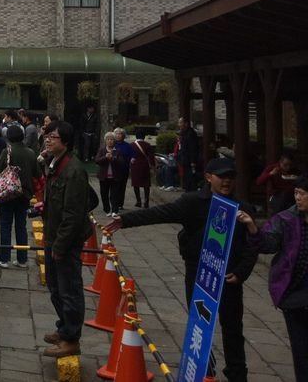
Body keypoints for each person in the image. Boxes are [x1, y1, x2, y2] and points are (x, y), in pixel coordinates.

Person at [106, 157, 257, 382]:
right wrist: (125, 220)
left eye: (230, 177)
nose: (226, 181)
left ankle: (237, 374)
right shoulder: (193, 202)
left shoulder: (242, 209)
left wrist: (242, 272)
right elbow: (160, 213)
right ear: (208, 177)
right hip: (199, 274)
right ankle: (205, 371)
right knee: (200, 325)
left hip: (229, 277)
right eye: (221, 177)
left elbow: (252, 246)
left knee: (233, 329)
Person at [239, 175, 308, 382]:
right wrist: (252, 226)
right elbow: (267, 244)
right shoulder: (286, 219)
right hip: (295, 293)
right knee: (301, 349)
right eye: (296, 193)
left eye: (303, 194)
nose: (298, 197)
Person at [41, 121, 91, 358]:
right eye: (48, 136)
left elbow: (73, 214)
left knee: (69, 289)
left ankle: (71, 338)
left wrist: (60, 245)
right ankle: (64, 328)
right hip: (52, 235)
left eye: (54, 137)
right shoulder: (54, 164)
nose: (48, 140)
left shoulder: (73, 170)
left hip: (65, 241)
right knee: (55, 288)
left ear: (66, 142)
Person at [0, 123, 40, 268]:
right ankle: (22, 259)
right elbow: (37, 173)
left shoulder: (7, 152)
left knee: (5, 226)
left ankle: (4, 258)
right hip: (24, 194)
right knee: (21, 226)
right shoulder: (30, 153)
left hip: (7, 193)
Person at [256, 148, 299, 215]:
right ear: (280, 162)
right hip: (277, 196)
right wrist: (271, 174)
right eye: (285, 165)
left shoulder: (294, 170)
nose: (288, 168)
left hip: (292, 195)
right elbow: (259, 181)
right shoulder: (273, 168)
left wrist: (296, 178)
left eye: (290, 165)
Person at [95, 132, 127, 217]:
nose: (110, 141)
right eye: (108, 139)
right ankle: (107, 209)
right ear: (105, 141)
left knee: (114, 194)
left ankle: (114, 210)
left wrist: (113, 158)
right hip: (104, 177)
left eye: (112, 139)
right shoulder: (102, 150)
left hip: (115, 177)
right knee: (104, 194)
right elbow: (97, 160)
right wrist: (105, 157)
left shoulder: (118, 151)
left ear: (114, 141)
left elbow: (122, 162)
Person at [129, 131, 155, 208]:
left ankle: (138, 201)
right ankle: (146, 202)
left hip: (135, 166)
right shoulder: (147, 145)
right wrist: (153, 166)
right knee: (146, 184)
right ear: (144, 137)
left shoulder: (131, 145)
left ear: (136, 136)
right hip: (145, 166)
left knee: (135, 184)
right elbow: (151, 157)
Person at [177, 116, 201, 191]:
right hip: (185, 160)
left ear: (186, 124)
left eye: (181, 122)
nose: (179, 125)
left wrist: (193, 161)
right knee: (187, 178)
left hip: (189, 161)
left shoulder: (190, 134)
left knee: (191, 178)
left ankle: (191, 191)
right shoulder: (184, 134)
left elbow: (193, 148)